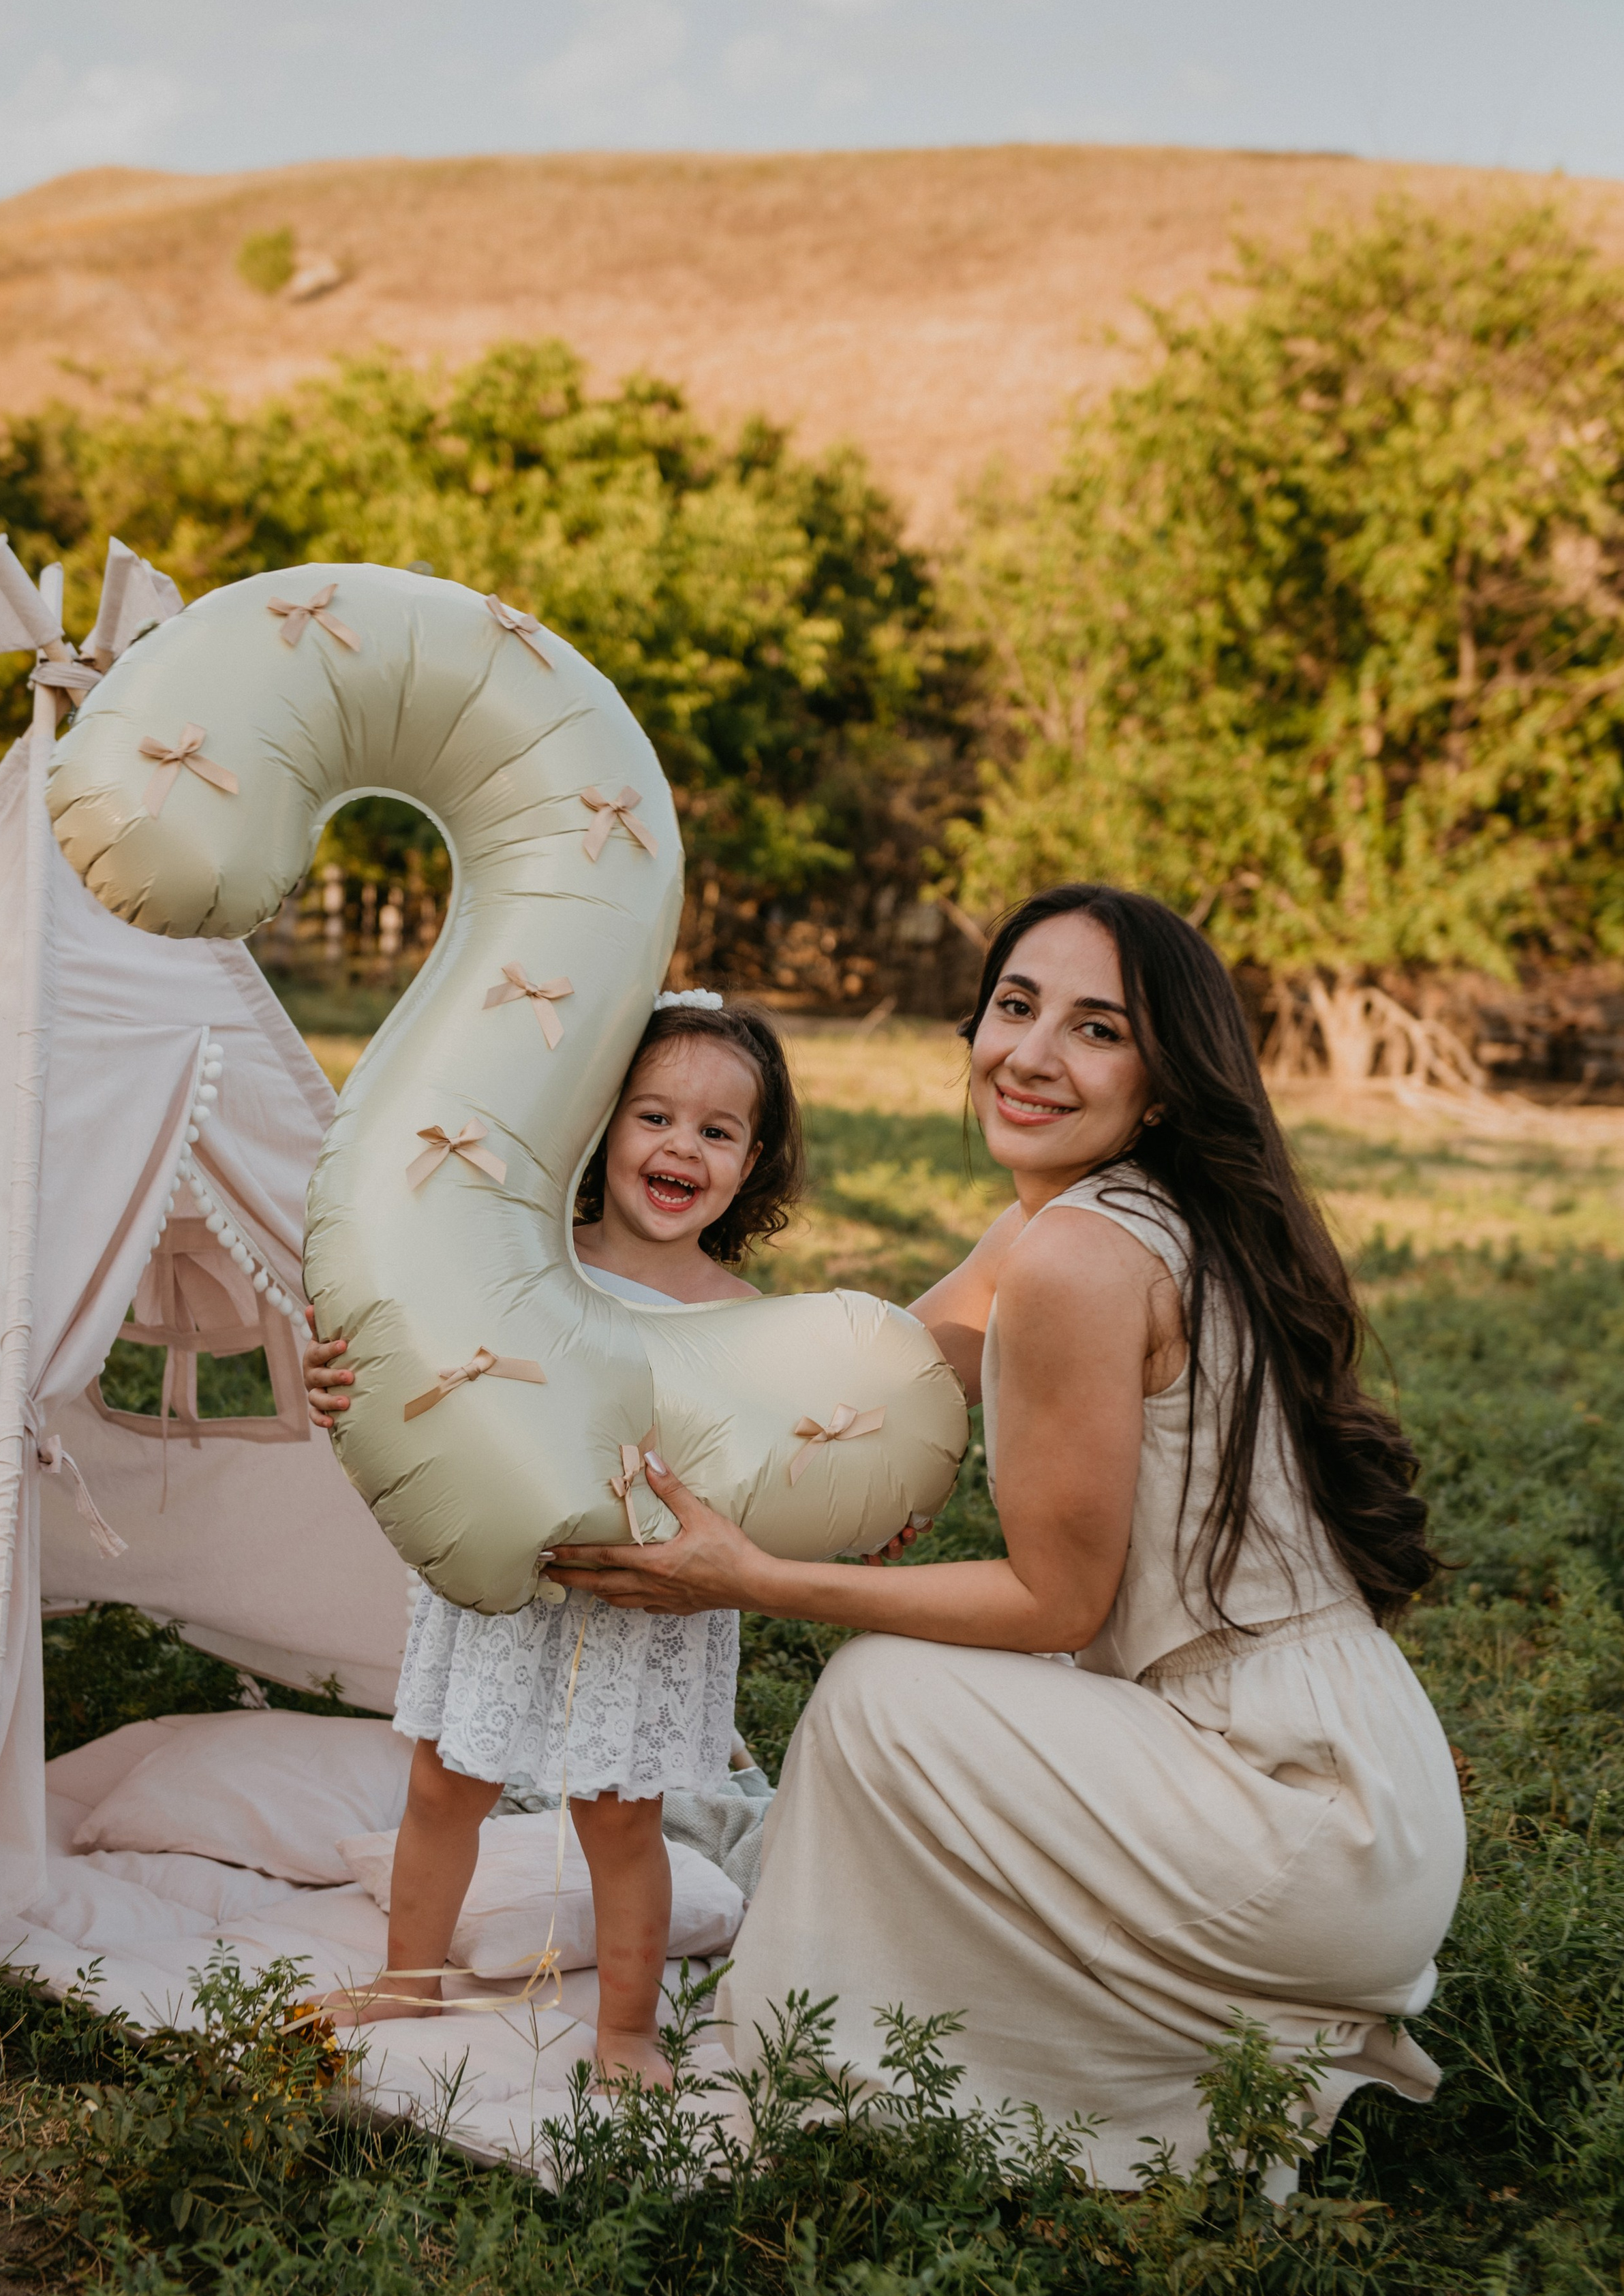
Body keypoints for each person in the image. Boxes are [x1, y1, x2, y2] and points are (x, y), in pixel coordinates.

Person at [548, 888, 1468, 2182]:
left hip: (1293, 1814)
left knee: (882, 1695)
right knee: (951, 1696)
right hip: (1357, 1780)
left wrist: (756, 1580)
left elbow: (1055, 1605)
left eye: (1097, 1029)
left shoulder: (1080, 1259)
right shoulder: (1085, 1218)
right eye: (1016, 1007)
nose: (1031, 1054)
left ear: (1160, 1082)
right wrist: (483, 1372)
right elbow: (834, 1402)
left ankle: (818, 2050)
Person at [303, 993, 803, 2085]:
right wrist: (343, 1385)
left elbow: (761, 1468)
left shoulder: (738, 1313)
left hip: (639, 1597)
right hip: (511, 1577)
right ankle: (408, 1981)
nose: (682, 1147)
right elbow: (429, 1371)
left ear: (751, 1160)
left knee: (620, 1823)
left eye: (717, 1133)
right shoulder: (531, 1263)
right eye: (655, 1118)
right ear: (599, 1124)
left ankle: (626, 2029)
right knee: (442, 1787)